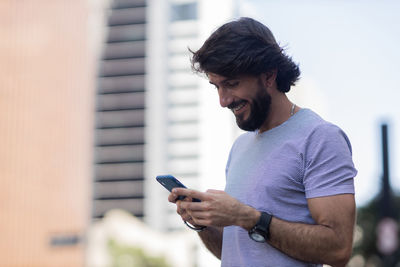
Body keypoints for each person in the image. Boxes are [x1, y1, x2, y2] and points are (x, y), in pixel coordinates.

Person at [167, 17, 357, 267]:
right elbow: (239, 252)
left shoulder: (320, 138)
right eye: (217, 87)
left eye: (231, 84)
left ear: (269, 76)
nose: (223, 100)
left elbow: (338, 249)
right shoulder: (240, 147)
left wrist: (245, 216)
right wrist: (202, 224)